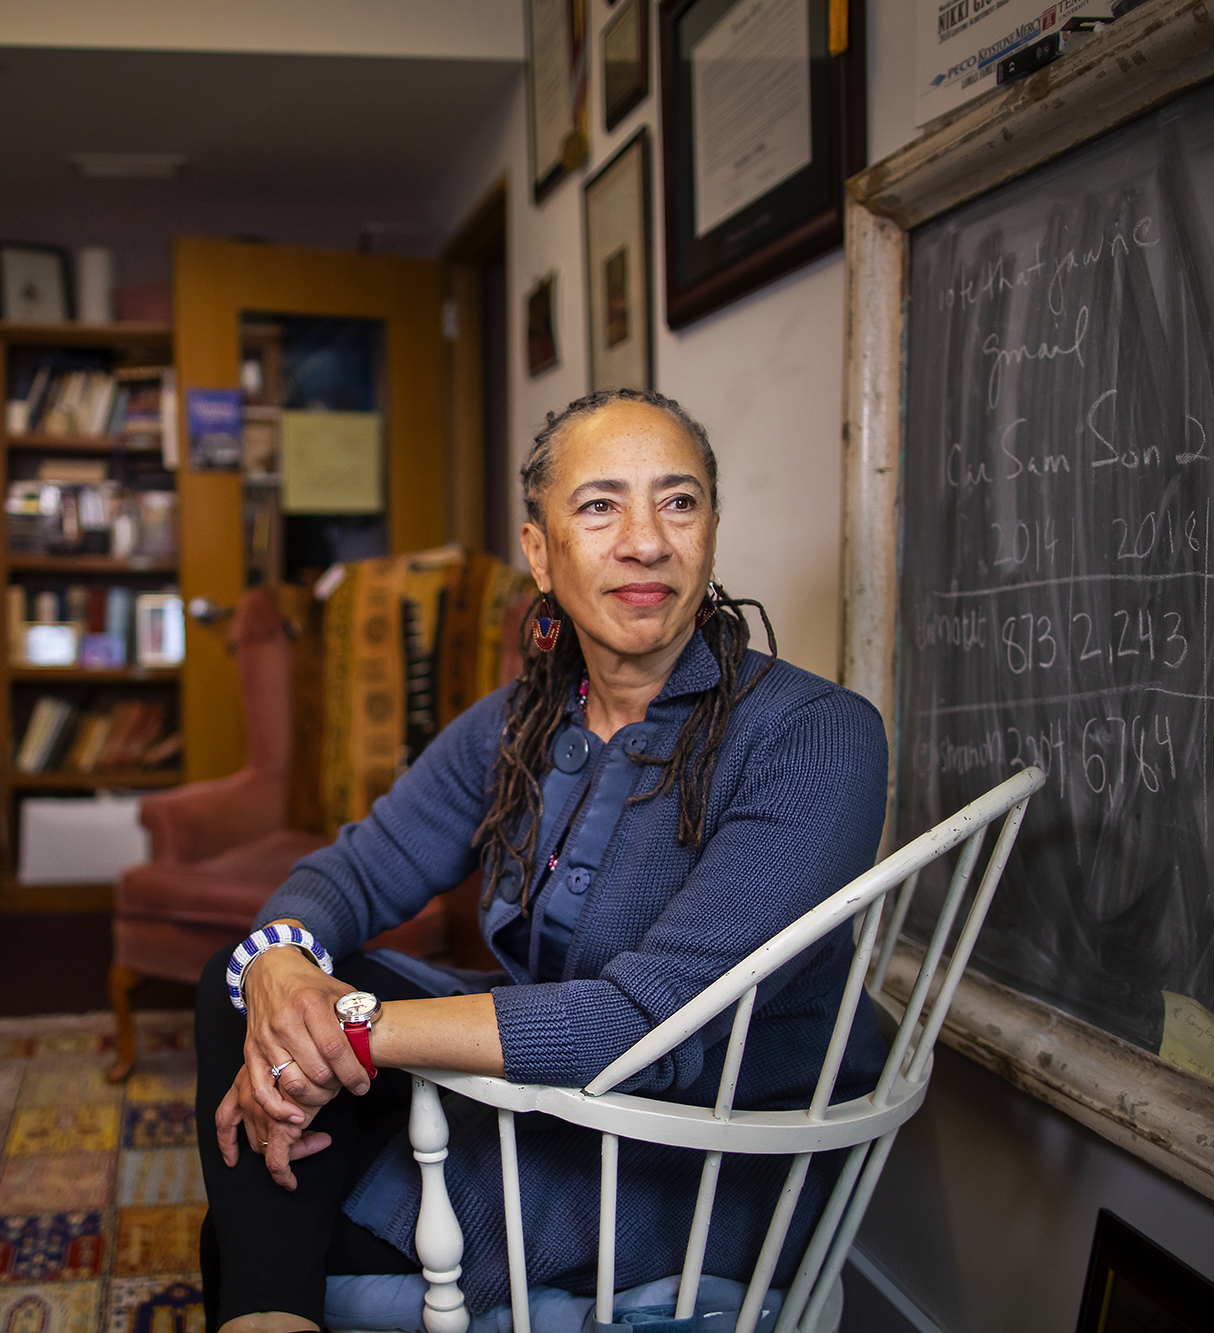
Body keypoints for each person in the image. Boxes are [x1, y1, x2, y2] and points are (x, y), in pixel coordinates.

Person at [194, 388, 890, 1333]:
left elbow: (653, 1024)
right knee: (240, 984)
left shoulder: (815, 735)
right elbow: (355, 872)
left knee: (256, 1223)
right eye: (600, 505)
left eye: (678, 503)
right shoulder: (525, 718)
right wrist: (277, 965)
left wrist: (344, 1034)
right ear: (539, 550)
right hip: (540, 1102)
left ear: (713, 530)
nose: (645, 540)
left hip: (682, 1160)